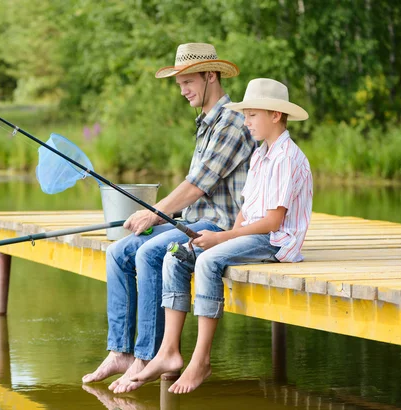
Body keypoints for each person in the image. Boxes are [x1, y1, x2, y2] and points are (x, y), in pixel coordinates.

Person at [82, 43, 255, 394]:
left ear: (211, 76)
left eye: (188, 81)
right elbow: (192, 194)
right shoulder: (207, 123)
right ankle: (120, 352)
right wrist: (162, 216)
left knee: (148, 253)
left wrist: (155, 213)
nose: (182, 90)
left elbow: (197, 184)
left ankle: (148, 356)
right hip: (194, 220)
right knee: (118, 252)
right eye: (178, 84)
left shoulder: (234, 122)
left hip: (219, 227)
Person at [131, 78, 313, 394]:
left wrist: (221, 238)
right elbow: (247, 209)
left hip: (276, 241)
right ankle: (169, 351)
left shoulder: (287, 157)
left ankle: (201, 360)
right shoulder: (260, 155)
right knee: (177, 253)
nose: (246, 122)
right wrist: (228, 234)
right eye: (245, 115)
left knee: (208, 262)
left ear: (275, 115)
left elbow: (272, 221)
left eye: (252, 115)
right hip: (251, 232)